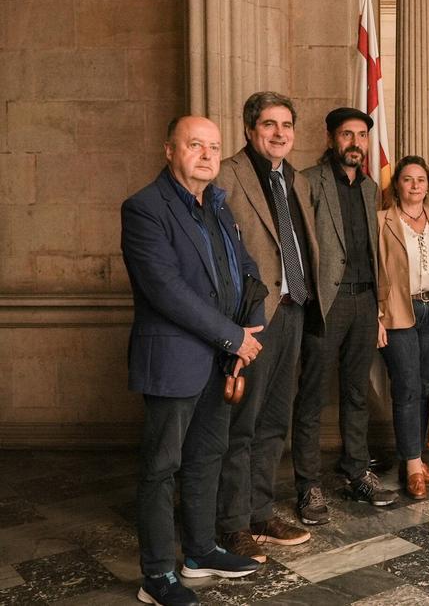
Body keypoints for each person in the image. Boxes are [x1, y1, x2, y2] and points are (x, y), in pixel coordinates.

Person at [121, 116, 263, 606]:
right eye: (195, 145)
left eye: (214, 147)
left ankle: (200, 552)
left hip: (222, 357)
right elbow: (166, 290)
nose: (206, 154)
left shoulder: (219, 207)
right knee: (162, 466)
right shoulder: (144, 208)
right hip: (175, 357)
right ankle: (156, 575)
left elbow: (247, 268)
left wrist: (253, 322)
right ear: (169, 150)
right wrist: (233, 337)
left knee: (206, 457)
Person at [215, 91, 318, 560]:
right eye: (270, 125)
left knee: (275, 421)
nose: (280, 133)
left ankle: (259, 512)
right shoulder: (228, 175)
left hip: (294, 309)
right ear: (250, 130)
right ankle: (232, 523)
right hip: (253, 319)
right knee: (242, 422)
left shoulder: (292, 178)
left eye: (286, 125)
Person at [292, 108, 398, 526]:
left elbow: (372, 252)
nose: (354, 142)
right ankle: (308, 484)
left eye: (360, 135)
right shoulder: (309, 181)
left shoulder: (371, 187)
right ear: (332, 138)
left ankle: (357, 472)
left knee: (356, 392)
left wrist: (377, 310)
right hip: (326, 302)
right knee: (312, 394)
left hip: (364, 301)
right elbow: (298, 243)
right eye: (346, 135)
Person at [377, 155, 429, 500]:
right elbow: (372, 270)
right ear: (397, 184)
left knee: (425, 386)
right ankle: (412, 466)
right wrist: (375, 315)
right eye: (408, 179)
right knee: (406, 386)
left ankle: (416, 458)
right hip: (397, 311)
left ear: (428, 186)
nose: (414, 186)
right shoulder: (381, 222)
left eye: (421, 180)